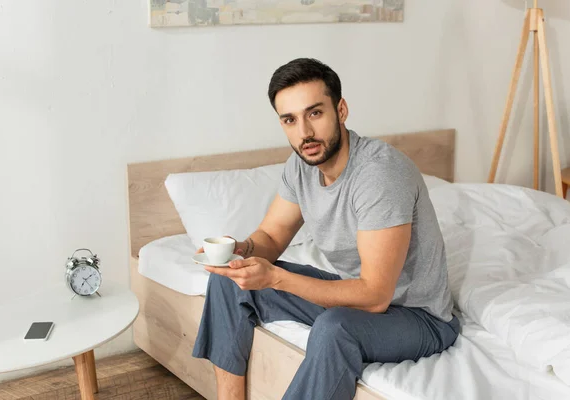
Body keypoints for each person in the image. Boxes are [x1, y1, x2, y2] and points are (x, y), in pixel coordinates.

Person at [192, 58, 460, 400]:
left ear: (341, 110)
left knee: (334, 330)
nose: (304, 133)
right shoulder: (301, 166)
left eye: (314, 113)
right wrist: (241, 250)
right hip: (355, 298)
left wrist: (274, 277)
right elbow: (272, 238)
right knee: (228, 280)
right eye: (290, 120)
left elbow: (376, 296)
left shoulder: (380, 174)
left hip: (418, 318)